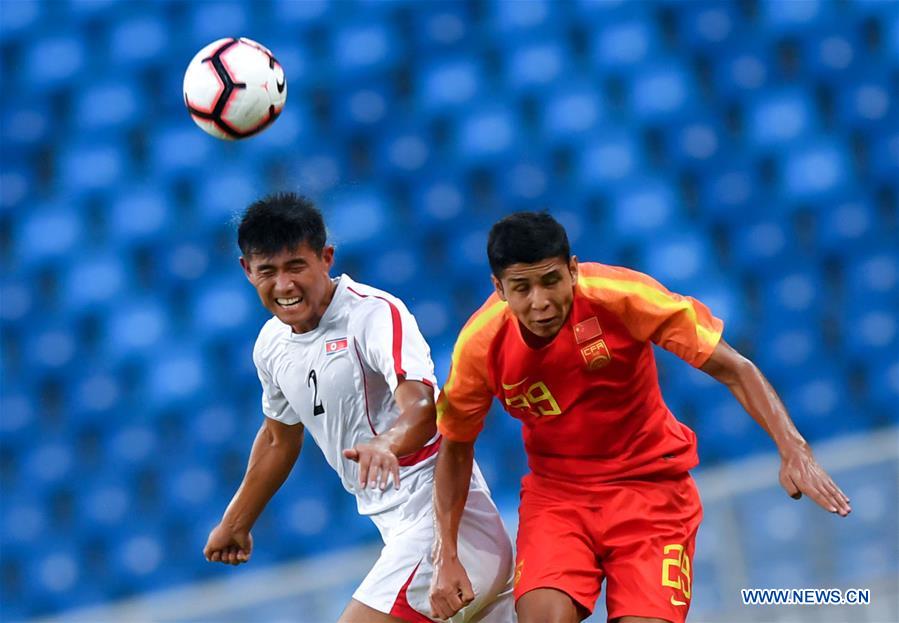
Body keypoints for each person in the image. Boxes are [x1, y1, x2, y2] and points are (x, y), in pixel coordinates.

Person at [429, 211, 851, 623]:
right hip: (559, 498)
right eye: (521, 288)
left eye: (551, 280)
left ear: (573, 270)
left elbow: (735, 368)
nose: (540, 303)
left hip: (652, 493)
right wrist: (446, 553)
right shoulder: (478, 347)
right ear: (499, 288)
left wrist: (793, 448)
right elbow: (455, 443)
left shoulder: (623, 297)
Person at [203, 193, 514, 623]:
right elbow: (278, 437)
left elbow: (423, 407)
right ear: (246, 271)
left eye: (296, 266)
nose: (284, 285)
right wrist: (236, 521)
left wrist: (386, 443)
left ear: (326, 257)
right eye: (267, 272)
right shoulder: (270, 346)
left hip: (450, 530)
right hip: (399, 531)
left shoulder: (373, 315)